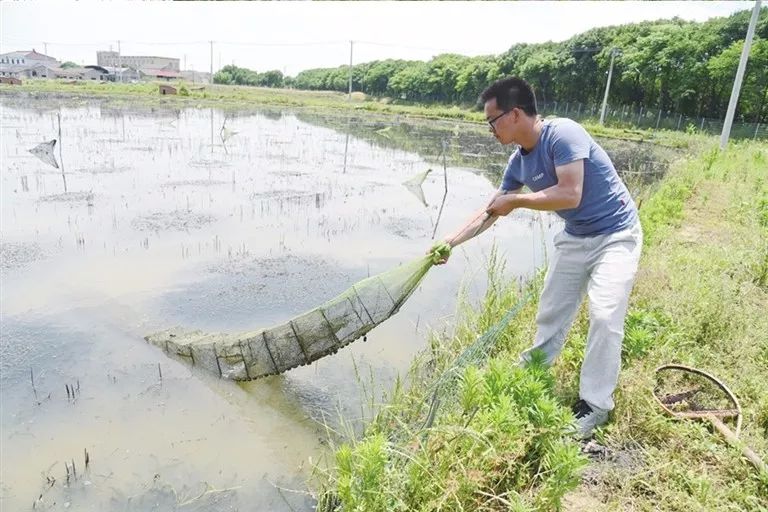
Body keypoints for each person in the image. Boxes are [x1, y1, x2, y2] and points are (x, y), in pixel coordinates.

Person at [435, 77, 642, 439]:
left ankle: (595, 405)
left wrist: (515, 201)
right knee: (551, 310)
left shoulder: (563, 133)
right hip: (576, 237)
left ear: (514, 114)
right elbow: (492, 210)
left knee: (605, 313)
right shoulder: (518, 163)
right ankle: (533, 370)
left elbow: (570, 194)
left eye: (492, 120)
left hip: (616, 233)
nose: (490, 129)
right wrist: (451, 242)